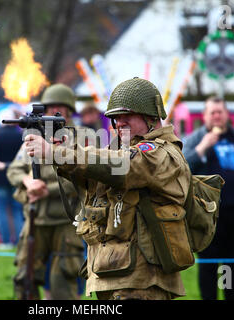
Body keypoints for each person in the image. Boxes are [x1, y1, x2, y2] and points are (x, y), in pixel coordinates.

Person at [25, 78, 192, 300]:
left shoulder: (161, 153)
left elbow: (122, 165)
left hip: (143, 278)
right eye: (115, 118)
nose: (120, 123)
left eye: (127, 116)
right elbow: (98, 177)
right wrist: (64, 149)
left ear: (151, 117)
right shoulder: (121, 149)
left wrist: (57, 153)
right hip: (113, 272)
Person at [7, 83, 85, 300]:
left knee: (64, 281)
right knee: (25, 279)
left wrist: (46, 190)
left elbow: (79, 179)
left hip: (65, 221)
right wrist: (27, 182)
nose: (53, 111)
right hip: (35, 219)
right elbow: (14, 170)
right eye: (50, 106)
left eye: (60, 107)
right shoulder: (33, 137)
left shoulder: (79, 139)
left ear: (69, 110)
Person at [182, 96, 234, 300]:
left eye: (220, 112)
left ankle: (231, 297)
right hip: (208, 215)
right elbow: (180, 170)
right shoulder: (195, 138)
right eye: (213, 112)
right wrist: (203, 147)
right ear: (205, 116)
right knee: (210, 265)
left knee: (233, 264)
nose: (217, 116)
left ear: (227, 115)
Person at [0, 108, 24, 249]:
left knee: (2, 210)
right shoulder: (19, 135)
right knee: (16, 209)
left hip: (0, 178)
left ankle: (6, 241)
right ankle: (20, 240)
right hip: (16, 176)